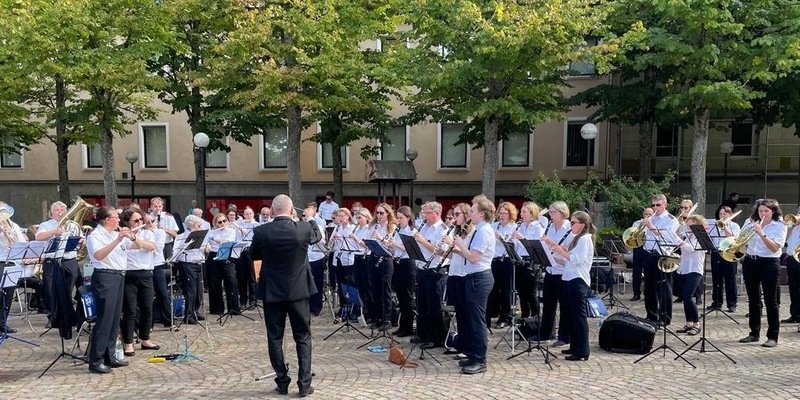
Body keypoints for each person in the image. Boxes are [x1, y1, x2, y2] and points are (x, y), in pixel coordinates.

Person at [250, 194, 321, 397]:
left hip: (272, 292)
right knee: (303, 337)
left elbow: (253, 255)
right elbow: (317, 235)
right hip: (298, 291)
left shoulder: (262, 231)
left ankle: (282, 382)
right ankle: (304, 384)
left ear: (272, 212)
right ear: (292, 211)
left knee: (275, 338)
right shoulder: (303, 228)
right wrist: (311, 217)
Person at [85, 206, 133, 373]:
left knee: (114, 319)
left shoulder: (115, 234)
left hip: (119, 276)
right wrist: (118, 240)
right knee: (104, 320)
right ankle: (96, 360)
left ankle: (110, 356)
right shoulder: (95, 236)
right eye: (115, 217)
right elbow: (98, 255)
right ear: (107, 219)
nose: (119, 220)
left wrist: (132, 236)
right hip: (105, 277)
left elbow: (134, 247)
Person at [451, 195, 495, 374]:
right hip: (474, 276)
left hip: (480, 278)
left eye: (474, 210)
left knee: (477, 321)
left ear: (482, 214)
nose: (471, 213)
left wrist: (461, 245)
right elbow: (471, 258)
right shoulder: (479, 229)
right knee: (471, 318)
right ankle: (473, 355)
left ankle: (480, 359)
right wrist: (458, 250)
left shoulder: (484, 231)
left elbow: (474, 258)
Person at [546, 210, 595, 361]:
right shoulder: (575, 238)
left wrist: (560, 250)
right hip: (568, 278)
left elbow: (577, 259)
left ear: (583, 225)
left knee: (579, 317)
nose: (571, 225)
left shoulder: (585, 239)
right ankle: (574, 346)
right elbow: (567, 259)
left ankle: (583, 351)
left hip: (578, 280)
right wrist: (553, 252)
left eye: (573, 223)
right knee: (572, 315)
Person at [739, 198, 787, 348]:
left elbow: (774, 248)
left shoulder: (780, 225)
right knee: (753, 299)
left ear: (773, 212)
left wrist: (761, 234)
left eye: (766, 211)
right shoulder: (749, 222)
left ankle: (772, 336)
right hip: (750, 261)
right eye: (760, 211)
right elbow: (740, 240)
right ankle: (754, 333)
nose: (763, 214)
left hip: (769, 263)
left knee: (770, 300)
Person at [35, 201, 82, 332]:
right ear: (51, 213)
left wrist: (81, 243)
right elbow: (38, 237)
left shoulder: (72, 224)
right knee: (50, 290)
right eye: (57, 210)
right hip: (52, 261)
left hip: (69, 260)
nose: (60, 212)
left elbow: (80, 240)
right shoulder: (46, 225)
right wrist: (54, 232)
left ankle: (67, 316)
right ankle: (53, 316)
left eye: (62, 209)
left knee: (68, 289)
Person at [119, 207, 159, 357]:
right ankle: (128, 342)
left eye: (141, 219)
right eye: (136, 220)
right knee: (130, 310)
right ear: (128, 222)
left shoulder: (148, 233)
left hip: (147, 273)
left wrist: (136, 239)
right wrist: (134, 241)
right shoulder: (121, 235)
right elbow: (132, 246)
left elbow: (151, 246)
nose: (140, 222)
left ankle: (145, 338)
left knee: (147, 309)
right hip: (129, 274)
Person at [411, 202, 449, 347]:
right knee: (422, 304)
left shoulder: (443, 229)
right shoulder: (424, 227)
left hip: (435, 270)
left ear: (436, 213)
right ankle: (423, 333)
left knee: (434, 306)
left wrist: (422, 241)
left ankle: (435, 338)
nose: (423, 216)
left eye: (426, 213)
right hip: (422, 268)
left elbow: (441, 251)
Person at [641, 194, 679, 326]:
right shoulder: (652, 218)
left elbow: (668, 238)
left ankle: (664, 318)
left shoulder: (671, 220)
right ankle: (651, 315)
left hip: (663, 255)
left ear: (665, 205)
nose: (655, 208)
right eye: (653, 205)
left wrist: (650, 226)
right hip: (649, 254)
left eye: (658, 205)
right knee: (649, 288)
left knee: (664, 287)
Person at [538, 201, 571, 346]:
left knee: (564, 305)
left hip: (563, 271)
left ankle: (564, 336)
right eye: (550, 212)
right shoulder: (550, 226)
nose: (550, 215)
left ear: (562, 213)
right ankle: (546, 333)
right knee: (548, 303)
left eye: (553, 212)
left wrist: (551, 243)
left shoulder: (569, 227)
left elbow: (567, 250)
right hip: (551, 269)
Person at [388, 206, 418, 338]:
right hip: (398, 263)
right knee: (400, 294)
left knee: (407, 295)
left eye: (401, 218)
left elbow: (410, 249)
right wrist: (391, 247)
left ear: (408, 217)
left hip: (408, 264)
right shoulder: (399, 230)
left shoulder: (412, 231)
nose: (398, 220)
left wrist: (395, 244)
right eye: (398, 218)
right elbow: (398, 250)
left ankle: (408, 326)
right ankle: (402, 325)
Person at [674, 215, 707, 336]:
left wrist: (677, 238)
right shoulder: (688, 237)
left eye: (690, 225)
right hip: (683, 269)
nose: (688, 227)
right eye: (687, 225)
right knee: (684, 297)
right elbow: (681, 249)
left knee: (688, 297)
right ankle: (689, 323)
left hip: (694, 270)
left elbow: (690, 249)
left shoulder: (701, 237)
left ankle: (697, 324)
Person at [511, 201, 545, 318]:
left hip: (531, 261)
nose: (521, 214)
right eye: (521, 211)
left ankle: (535, 318)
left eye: (524, 212)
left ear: (532, 214)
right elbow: (516, 245)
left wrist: (522, 238)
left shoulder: (537, 227)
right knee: (521, 293)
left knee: (531, 293)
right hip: (520, 261)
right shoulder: (521, 226)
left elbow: (535, 244)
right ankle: (524, 318)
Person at [174, 215, 209, 324]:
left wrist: (206, 248)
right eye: (199, 225)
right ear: (192, 226)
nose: (200, 227)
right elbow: (177, 253)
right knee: (190, 290)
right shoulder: (183, 237)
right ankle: (188, 315)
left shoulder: (200, 236)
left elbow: (203, 248)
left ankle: (195, 310)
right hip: (187, 264)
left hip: (198, 263)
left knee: (198, 290)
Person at [367, 203, 397, 330]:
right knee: (376, 289)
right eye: (377, 213)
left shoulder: (392, 227)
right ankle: (378, 318)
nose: (378, 216)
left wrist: (381, 238)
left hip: (386, 260)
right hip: (374, 258)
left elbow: (392, 247)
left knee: (386, 290)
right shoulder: (374, 226)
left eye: (381, 213)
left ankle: (387, 319)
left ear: (388, 213)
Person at [489, 202, 518, 329]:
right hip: (494, 260)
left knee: (505, 289)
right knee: (493, 288)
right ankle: (491, 313)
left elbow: (512, 244)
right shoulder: (494, 225)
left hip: (506, 260)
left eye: (504, 213)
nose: (502, 216)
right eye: (500, 213)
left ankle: (505, 316)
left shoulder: (514, 227)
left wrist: (500, 237)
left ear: (510, 214)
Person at [0, 201, 27, 334]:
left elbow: (22, 242)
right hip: (0, 262)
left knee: (8, 295)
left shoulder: (14, 225)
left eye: (4, 211)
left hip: (12, 263)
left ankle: (2, 324)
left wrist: (15, 243)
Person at [708, 206, 740, 312]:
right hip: (717, 252)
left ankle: (732, 304)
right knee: (716, 279)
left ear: (730, 215)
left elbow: (734, 238)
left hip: (729, 254)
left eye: (724, 214)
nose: (722, 216)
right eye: (720, 214)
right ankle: (716, 302)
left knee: (730, 279)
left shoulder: (735, 226)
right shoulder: (715, 225)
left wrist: (725, 227)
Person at [206, 213, 239, 316]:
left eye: (224, 221)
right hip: (213, 255)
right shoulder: (212, 232)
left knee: (230, 279)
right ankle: (217, 309)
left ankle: (233, 308)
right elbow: (206, 242)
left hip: (226, 254)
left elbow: (227, 242)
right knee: (214, 281)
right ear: (216, 223)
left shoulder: (231, 231)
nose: (222, 224)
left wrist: (213, 238)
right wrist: (207, 245)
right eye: (220, 222)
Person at [234, 206, 261, 309]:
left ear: (253, 214)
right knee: (241, 277)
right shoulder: (239, 225)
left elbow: (255, 238)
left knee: (252, 277)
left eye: (250, 213)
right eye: (246, 214)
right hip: (241, 251)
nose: (248, 215)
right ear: (243, 215)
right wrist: (240, 229)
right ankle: (243, 301)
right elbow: (237, 238)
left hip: (251, 250)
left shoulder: (257, 225)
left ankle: (253, 301)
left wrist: (245, 232)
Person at [629, 207, 654, 302]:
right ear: (643, 214)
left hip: (649, 248)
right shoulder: (636, 223)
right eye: (646, 214)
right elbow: (632, 236)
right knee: (636, 272)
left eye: (650, 214)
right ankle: (636, 294)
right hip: (638, 247)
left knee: (648, 272)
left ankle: (648, 294)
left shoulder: (654, 223)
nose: (647, 215)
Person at [784, 205, 800, 323]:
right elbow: (785, 239)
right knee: (793, 288)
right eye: (799, 211)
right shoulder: (793, 227)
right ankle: (794, 314)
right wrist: (790, 226)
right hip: (792, 259)